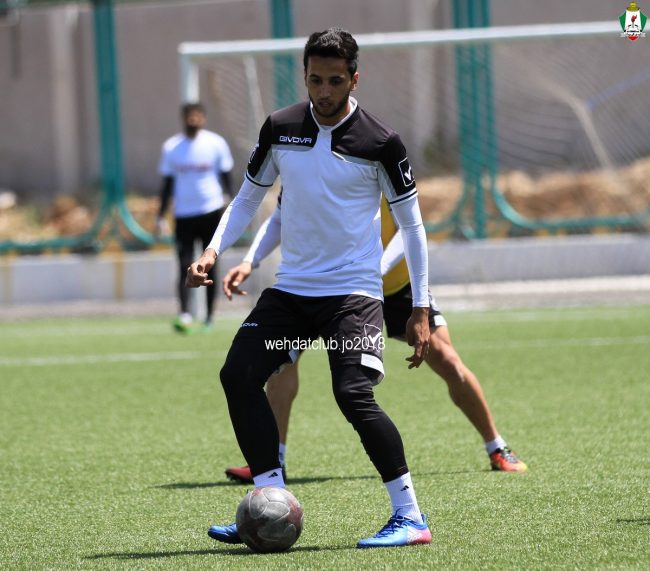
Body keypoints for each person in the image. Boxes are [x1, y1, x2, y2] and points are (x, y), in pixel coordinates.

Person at [186, 27, 433, 548]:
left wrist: (421, 307)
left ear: (354, 79)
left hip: (352, 295)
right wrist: (214, 249)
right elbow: (248, 198)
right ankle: (270, 503)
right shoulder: (281, 128)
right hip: (293, 293)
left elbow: (413, 226)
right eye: (315, 79)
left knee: (353, 393)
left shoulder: (381, 142)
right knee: (238, 375)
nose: (324, 91)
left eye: (335, 81)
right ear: (305, 76)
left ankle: (410, 516)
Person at [222, 196, 527, 486]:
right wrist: (250, 260)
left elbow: (409, 228)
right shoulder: (308, 166)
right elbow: (280, 216)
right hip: (332, 288)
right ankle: (272, 458)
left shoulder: (377, 163)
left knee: (446, 359)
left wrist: (374, 270)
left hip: (394, 285)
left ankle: (497, 446)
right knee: (282, 361)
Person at [156, 102, 234, 333]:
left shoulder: (216, 143)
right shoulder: (172, 147)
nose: (193, 120)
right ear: (183, 118)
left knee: (209, 265)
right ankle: (185, 314)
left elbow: (227, 177)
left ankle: (209, 317)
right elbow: (167, 183)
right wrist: (161, 215)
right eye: (189, 116)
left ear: (203, 118)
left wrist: (232, 205)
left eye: (197, 116)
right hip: (183, 215)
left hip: (211, 211)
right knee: (184, 264)